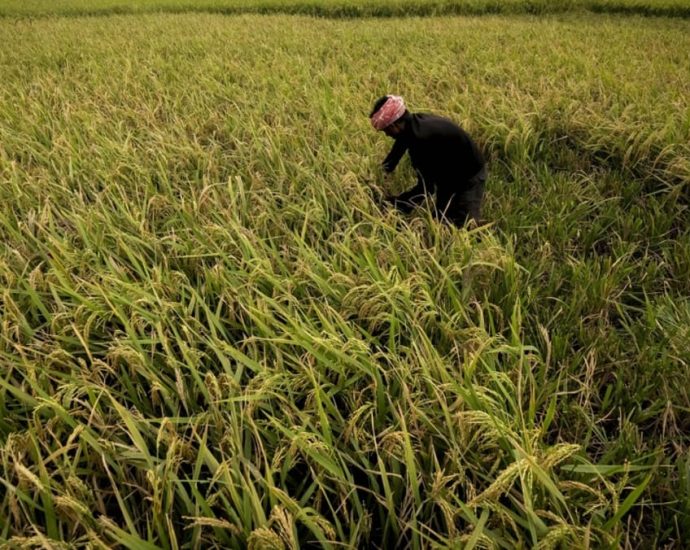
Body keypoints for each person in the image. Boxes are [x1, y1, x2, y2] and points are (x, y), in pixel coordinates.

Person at [370, 95, 487, 227]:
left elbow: (426, 188)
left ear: (394, 124)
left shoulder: (422, 139)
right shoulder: (413, 124)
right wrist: (384, 169)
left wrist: (397, 204)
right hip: (450, 169)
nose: (386, 134)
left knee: (462, 224)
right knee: (440, 218)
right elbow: (398, 148)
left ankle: (482, 239)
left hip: (469, 175)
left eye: (386, 130)